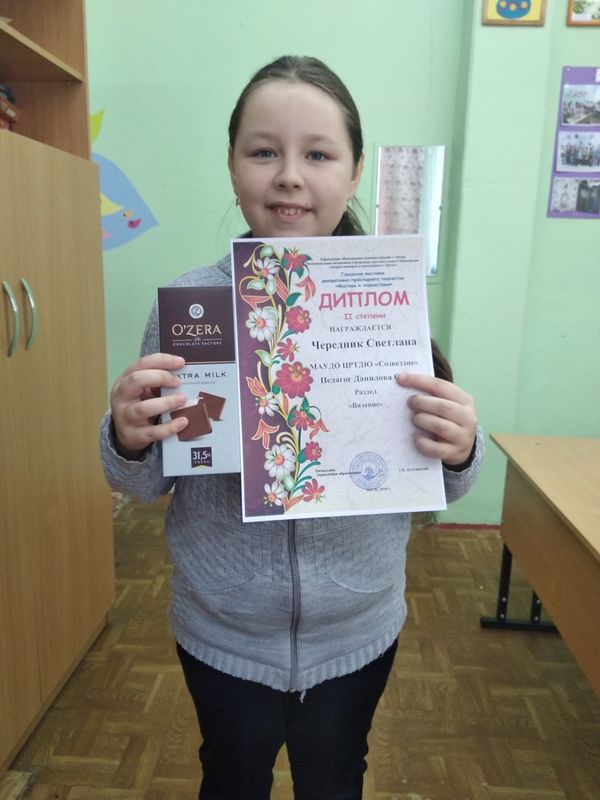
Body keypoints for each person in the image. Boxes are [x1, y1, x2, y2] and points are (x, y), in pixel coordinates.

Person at [101, 55, 484, 800]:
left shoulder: (388, 299)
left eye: (318, 154)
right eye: (263, 151)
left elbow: (441, 480)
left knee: (337, 779)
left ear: (356, 169)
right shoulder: (190, 305)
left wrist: (460, 449)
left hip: (357, 631)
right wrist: (125, 436)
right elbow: (143, 482)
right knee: (231, 778)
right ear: (232, 164)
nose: (288, 177)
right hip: (222, 633)